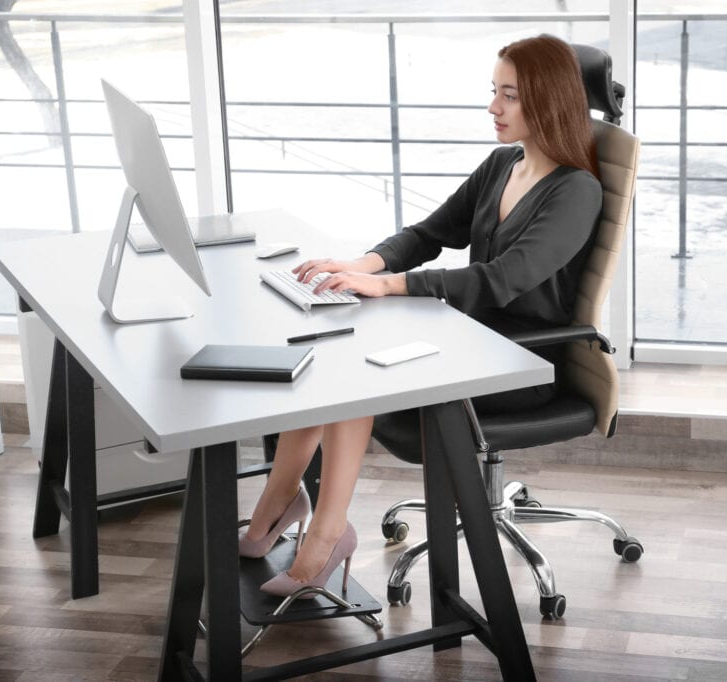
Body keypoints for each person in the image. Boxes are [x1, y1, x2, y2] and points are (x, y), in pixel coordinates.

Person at [241, 34, 603, 598]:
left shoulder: (577, 191)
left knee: (353, 375)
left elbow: (501, 280)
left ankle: (328, 535)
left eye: (509, 96)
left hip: (520, 365)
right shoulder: (503, 165)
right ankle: (279, 503)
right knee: (328, 350)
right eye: (494, 92)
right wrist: (363, 263)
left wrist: (386, 286)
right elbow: (430, 234)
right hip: (469, 340)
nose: (493, 108)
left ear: (547, 100)